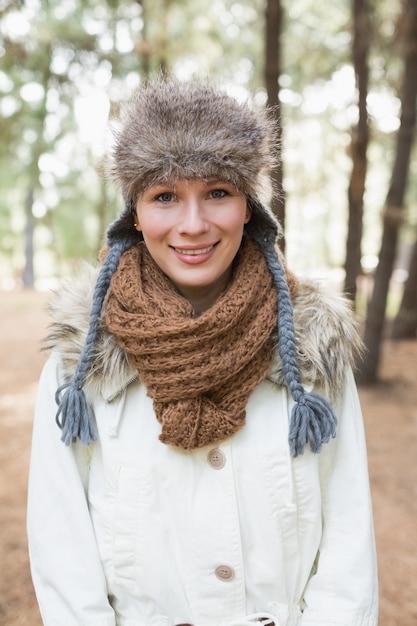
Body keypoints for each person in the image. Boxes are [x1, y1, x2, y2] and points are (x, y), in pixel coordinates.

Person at [27, 77, 378, 626]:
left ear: (249, 209)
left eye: (217, 192)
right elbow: (62, 546)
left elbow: (348, 543)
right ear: (135, 217)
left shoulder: (312, 350)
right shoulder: (83, 363)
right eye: (165, 196)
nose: (193, 225)